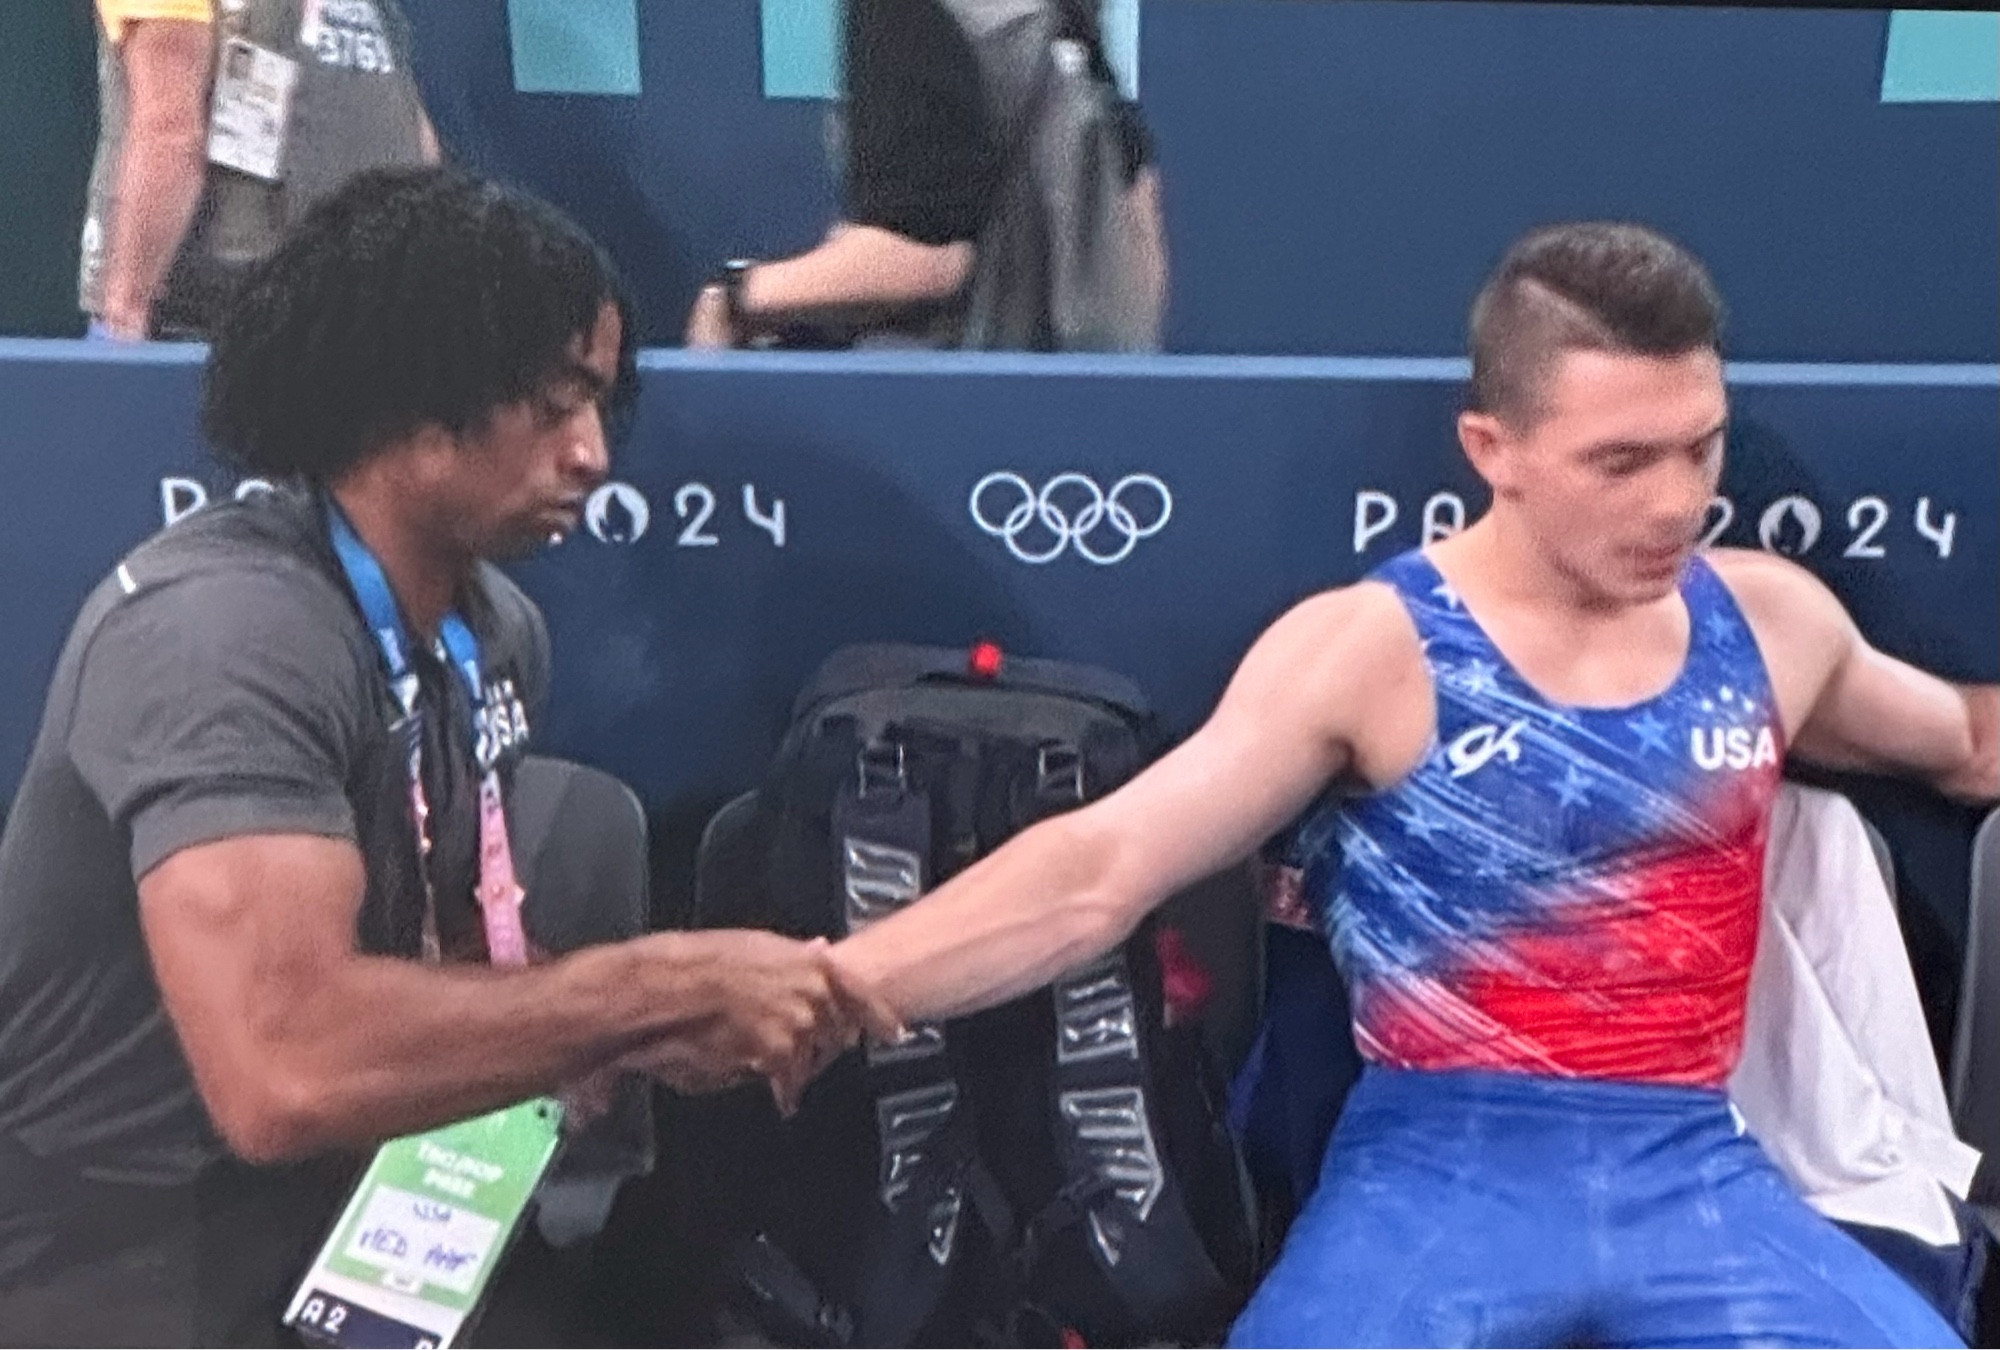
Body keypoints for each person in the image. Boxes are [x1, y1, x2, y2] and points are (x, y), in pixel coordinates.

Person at [825, 222, 1999, 1347]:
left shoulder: (1769, 622)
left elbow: (1960, 739)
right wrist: (834, 983)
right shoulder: (1372, 652)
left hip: (1690, 1164)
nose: (1675, 503)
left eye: (1700, 447)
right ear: (1493, 451)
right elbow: (1099, 870)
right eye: (1620, 462)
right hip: (1441, 1164)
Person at [0, 166, 893, 1345]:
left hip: (352, 1210)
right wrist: (647, 991)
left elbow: (425, 946)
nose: (592, 456)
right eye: (553, 403)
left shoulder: (492, 629)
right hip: (122, 1253)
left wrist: (617, 1030)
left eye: (600, 408)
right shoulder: (223, 637)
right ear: (412, 400)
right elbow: (284, 1069)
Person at [684, 0, 1164, 351]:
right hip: (1085, 441)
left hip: (946, 428)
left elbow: (927, 257)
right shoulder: (1061, 22)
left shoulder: (911, 15)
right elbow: (1143, 229)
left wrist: (738, 297)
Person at [79, 0, 440, 341]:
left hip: (229, 317)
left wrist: (124, 308)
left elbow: (170, 131)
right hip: (383, 296)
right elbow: (415, 135)